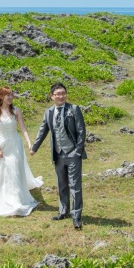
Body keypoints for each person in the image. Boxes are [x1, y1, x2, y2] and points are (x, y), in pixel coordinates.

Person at [0, 86, 43, 216]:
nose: (10, 98)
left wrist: (30, 143)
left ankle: (16, 198)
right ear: (1, 96)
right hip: (2, 143)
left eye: (12, 95)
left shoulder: (16, 110)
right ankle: (1, 194)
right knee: (0, 171)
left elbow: (23, 128)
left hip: (15, 143)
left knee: (15, 169)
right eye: (8, 95)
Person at [30, 82, 87, 229]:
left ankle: (76, 216)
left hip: (73, 153)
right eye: (58, 94)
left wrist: (78, 151)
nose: (61, 96)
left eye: (63, 93)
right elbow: (43, 130)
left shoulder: (74, 109)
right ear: (52, 96)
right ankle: (63, 211)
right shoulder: (49, 112)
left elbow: (81, 131)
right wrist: (34, 147)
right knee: (61, 185)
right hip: (58, 154)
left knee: (75, 185)